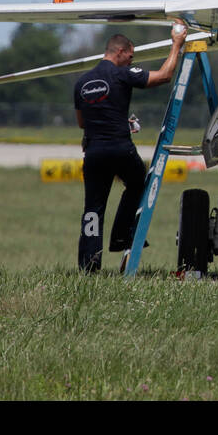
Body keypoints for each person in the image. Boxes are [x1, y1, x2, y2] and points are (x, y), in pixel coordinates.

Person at [73, 23, 187, 272]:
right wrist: (176, 44)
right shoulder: (121, 73)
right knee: (138, 183)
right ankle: (122, 235)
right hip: (120, 148)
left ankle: (88, 265)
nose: (131, 60)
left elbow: (84, 122)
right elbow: (164, 76)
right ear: (121, 52)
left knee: (93, 207)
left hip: (93, 152)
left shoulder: (82, 82)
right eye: (131, 56)